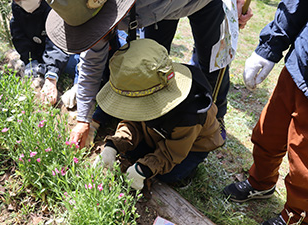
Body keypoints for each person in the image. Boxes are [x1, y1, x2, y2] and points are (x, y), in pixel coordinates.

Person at [45, 0, 253, 149]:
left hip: (205, 4)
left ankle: (210, 121)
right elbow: (92, 60)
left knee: (210, 68)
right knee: (148, 67)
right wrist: (84, 119)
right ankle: (150, 120)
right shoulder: (86, 11)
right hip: (152, 12)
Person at [93, 39, 224, 190]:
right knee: (132, 152)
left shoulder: (189, 114)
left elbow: (173, 152)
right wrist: (113, 145)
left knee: (169, 174)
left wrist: (144, 170)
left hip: (189, 145)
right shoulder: (144, 86)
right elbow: (133, 121)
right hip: (155, 131)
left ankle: (188, 171)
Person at [223, 0, 308, 224]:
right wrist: (269, 47)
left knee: (304, 163)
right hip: (300, 63)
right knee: (268, 132)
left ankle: (296, 216)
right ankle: (261, 183)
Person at [10, 0, 77, 105]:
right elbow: (20, 38)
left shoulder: (55, 7)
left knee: (72, 66)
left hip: (65, 49)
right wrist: (30, 61)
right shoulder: (17, 10)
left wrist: (51, 77)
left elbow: (57, 41)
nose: (21, 2)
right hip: (41, 52)